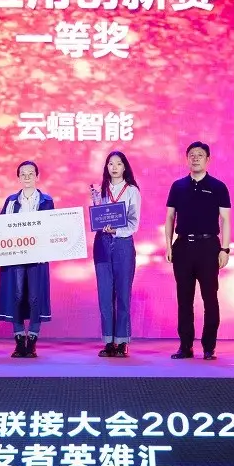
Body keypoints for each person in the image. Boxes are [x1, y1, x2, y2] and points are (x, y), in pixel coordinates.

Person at [164, 142, 232, 360]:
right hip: (183, 246)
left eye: (200, 155)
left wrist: (225, 249)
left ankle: (209, 346)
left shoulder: (218, 187)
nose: (195, 158)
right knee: (184, 300)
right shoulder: (178, 186)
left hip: (208, 247)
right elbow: (170, 217)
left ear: (208, 159)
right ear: (187, 159)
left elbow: (225, 220)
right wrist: (168, 245)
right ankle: (185, 346)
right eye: (192, 155)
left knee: (210, 298)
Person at [0, 161, 54, 358]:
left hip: (38, 256)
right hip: (16, 256)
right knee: (17, 295)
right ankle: (20, 341)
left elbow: (53, 228)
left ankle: (33, 341)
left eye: (31, 173)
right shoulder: (11, 201)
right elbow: (0, 226)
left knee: (35, 297)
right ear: (18, 177)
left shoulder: (46, 201)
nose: (27, 177)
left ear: (37, 176)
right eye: (23, 174)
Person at [91, 151, 141, 358]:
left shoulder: (132, 191)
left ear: (124, 167)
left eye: (118, 164)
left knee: (122, 294)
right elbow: (98, 219)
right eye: (110, 164)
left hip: (123, 244)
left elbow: (134, 223)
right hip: (102, 244)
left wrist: (116, 231)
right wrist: (96, 203)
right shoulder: (101, 190)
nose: (114, 167)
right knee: (105, 296)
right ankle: (108, 341)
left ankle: (122, 342)